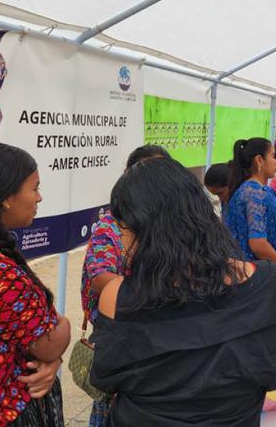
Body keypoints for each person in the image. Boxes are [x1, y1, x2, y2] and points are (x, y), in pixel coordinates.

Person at [90, 157, 276, 426]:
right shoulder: (267, 285)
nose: (122, 239)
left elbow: (106, 379)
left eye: (125, 228)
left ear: (146, 229)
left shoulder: (118, 296)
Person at [0, 143, 70, 426]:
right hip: (3, 412)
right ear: (6, 198)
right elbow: (48, 346)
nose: (39, 197)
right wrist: (63, 325)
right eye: (35, 188)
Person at [81, 144, 170, 427]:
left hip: (165, 347)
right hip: (123, 347)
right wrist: (161, 295)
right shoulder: (111, 226)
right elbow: (100, 278)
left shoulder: (168, 223)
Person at [225, 138, 276, 273]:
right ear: (259, 160)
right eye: (273, 156)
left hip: (271, 265)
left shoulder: (267, 190)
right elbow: (258, 244)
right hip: (257, 272)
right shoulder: (253, 193)